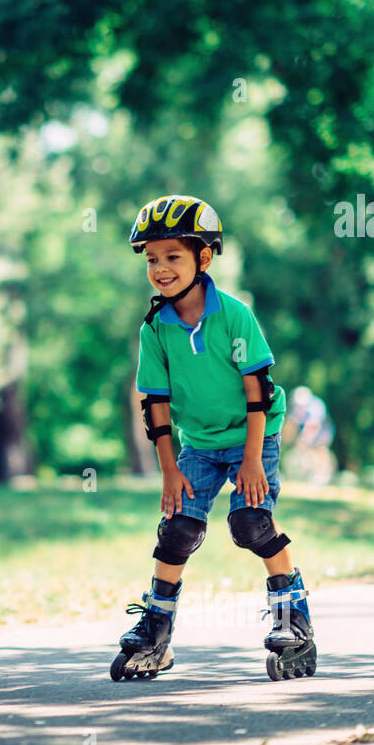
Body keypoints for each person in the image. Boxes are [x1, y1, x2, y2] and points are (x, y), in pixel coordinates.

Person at [111, 195, 318, 682]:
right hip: (198, 443)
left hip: (254, 432)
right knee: (178, 529)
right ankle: (156, 630)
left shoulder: (234, 315)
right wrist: (168, 468)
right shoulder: (155, 329)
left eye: (173, 257)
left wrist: (251, 460)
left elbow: (258, 393)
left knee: (251, 522)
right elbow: (155, 403)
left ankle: (294, 615)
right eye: (152, 259)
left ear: (204, 258)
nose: (160, 269)